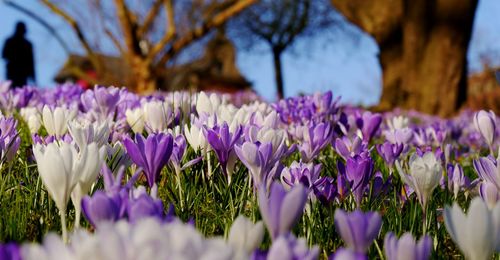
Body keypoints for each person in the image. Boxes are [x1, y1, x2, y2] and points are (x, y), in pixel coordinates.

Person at [2, 22, 35, 88]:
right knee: (13, 89)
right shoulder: (27, 44)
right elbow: (4, 55)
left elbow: (31, 62)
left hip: (20, 73)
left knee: (16, 89)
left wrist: (32, 75)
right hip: (14, 72)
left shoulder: (27, 44)